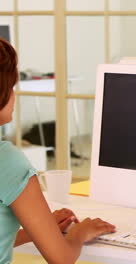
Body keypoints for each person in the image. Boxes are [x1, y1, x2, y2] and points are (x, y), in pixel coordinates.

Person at [0, 37, 116, 263]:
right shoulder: (8, 162)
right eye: (11, 87)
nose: (15, 96)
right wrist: (79, 233)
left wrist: (41, 230)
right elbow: (61, 259)